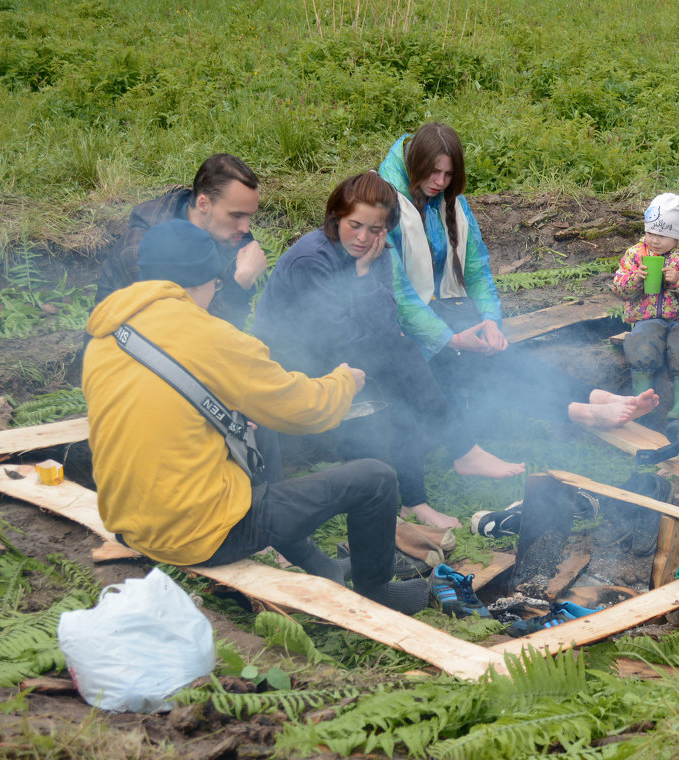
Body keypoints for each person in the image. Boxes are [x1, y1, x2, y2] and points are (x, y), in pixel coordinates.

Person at [83, 219, 429, 614]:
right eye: (217, 284)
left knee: (255, 425)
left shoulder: (107, 336)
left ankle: (320, 565)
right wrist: (344, 381)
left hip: (130, 524)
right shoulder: (210, 336)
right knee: (376, 479)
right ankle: (377, 590)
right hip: (196, 535)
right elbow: (306, 408)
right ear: (205, 280)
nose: (216, 295)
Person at [252, 171, 524, 530]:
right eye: (355, 225)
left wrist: (365, 276)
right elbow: (335, 337)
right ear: (336, 217)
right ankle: (459, 454)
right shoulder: (311, 261)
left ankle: (416, 501)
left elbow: (384, 323)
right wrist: (364, 282)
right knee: (399, 359)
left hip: (348, 353)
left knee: (399, 362)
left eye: (376, 230)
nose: (364, 238)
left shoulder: (376, 254)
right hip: (292, 364)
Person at [378, 122, 659, 428]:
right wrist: (452, 338)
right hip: (400, 330)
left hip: (445, 315)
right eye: (434, 172)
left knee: (500, 353)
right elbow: (399, 294)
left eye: (448, 175)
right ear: (415, 161)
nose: (440, 182)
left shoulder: (452, 203)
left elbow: (476, 269)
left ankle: (593, 397)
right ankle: (580, 411)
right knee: (482, 367)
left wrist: (488, 320)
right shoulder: (385, 201)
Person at [95, 154, 268, 330]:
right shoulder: (143, 252)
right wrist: (240, 286)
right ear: (203, 205)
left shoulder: (230, 237)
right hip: (123, 350)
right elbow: (184, 336)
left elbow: (228, 334)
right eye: (236, 215)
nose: (246, 228)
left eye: (249, 216)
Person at [612, 192, 679, 420]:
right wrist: (635, 280)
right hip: (647, 318)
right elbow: (618, 287)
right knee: (642, 341)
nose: (654, 240)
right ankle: (640, 403)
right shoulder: (636, 254)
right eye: (650, 233)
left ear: (677, 236)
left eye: (662, 235)